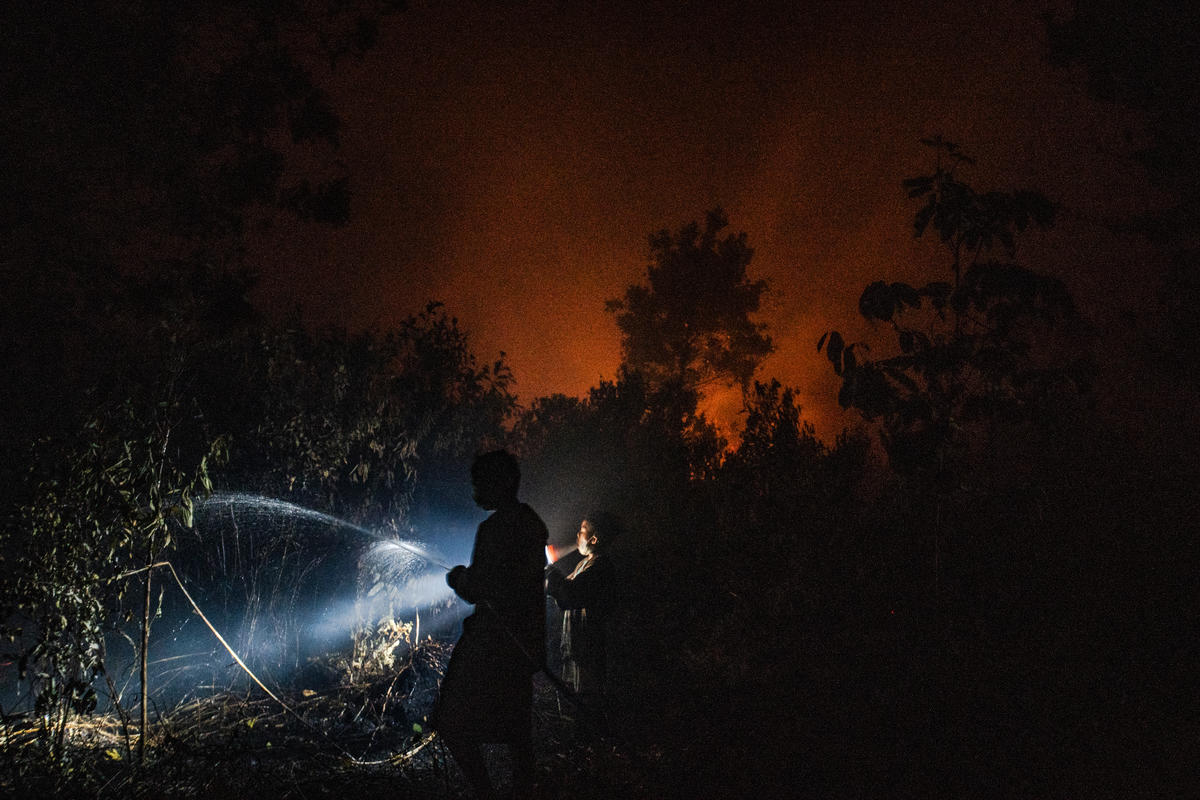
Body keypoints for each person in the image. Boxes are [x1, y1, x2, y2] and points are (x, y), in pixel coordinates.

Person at [436, 450, 548, 799]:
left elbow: (480, 588)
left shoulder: (494, 529)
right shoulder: (531, 523)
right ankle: (522, 792)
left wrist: (458, 579)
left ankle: (486, 793)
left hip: (491, 645)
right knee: (517, 730)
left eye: (478, 483)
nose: (474, 491)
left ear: (497, 483)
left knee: (449, 720)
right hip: (523, 644)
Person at [544, 512, 620, 730]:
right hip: (578, 649)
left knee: (588, 705)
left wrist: (550, 571)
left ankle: (594, 749)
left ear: (594, 539)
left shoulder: (600, 568)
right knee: (577, 704)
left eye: (582, 531)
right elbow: (561, 591)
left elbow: (570, 594)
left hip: (590, 650)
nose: (577, 535)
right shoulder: (585, 565)